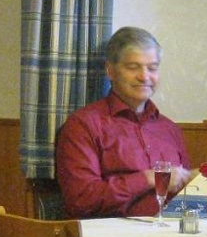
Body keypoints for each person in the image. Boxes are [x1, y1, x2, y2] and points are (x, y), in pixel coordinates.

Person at [56, 26, 193, 218]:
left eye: (152, 68)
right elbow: (81, 200)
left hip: (170, 236)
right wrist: (148, 178)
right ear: (111, 71)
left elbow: (189, 194)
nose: (144, 76)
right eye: (133, 67)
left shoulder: (170, 129)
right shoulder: (83, 126)